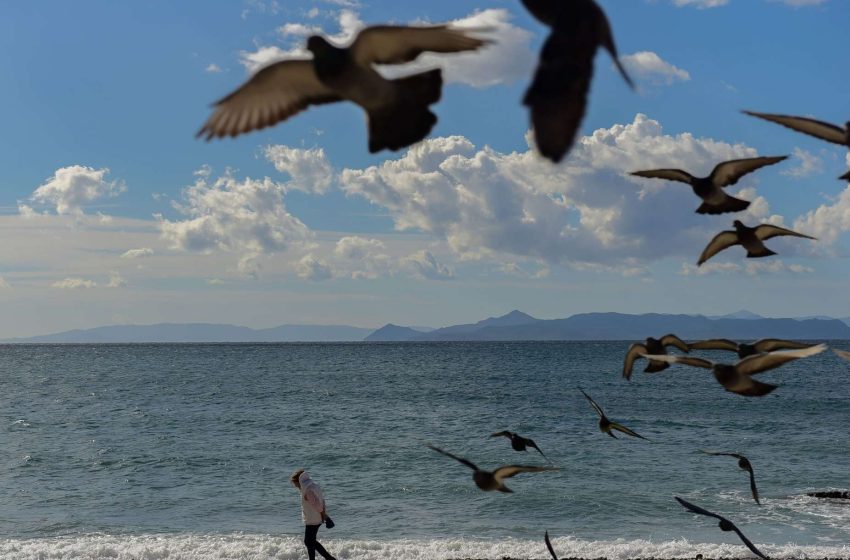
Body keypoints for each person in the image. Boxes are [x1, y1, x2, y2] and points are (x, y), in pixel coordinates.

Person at [290, 469, 337, 560]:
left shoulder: (307, 491)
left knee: (308, 541)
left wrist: (324, 515)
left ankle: (329, 558)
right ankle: (329, 559)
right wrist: (323, 513)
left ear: (298, 481)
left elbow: (317, 505)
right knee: (310, 541)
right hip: (316, 518)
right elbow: (322, 500)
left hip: (313, 519)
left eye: (294, 483)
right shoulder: (314, 486)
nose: (295, 486)